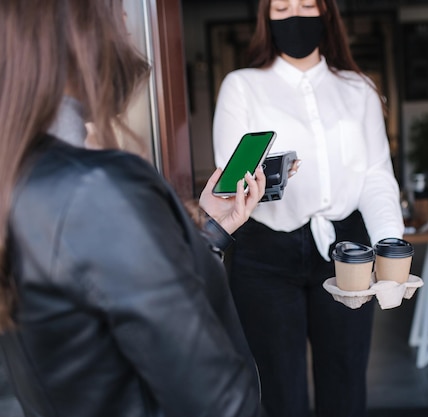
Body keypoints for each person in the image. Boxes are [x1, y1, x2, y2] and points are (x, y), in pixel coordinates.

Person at [0, 1, 268, 416]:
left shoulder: (21, 176)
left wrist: (210, 229)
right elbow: (217, 402)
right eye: (122, 26)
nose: (131, 45)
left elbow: (105, 306)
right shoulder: (96, 187)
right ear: (77, 36)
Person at [211, 0, 405, 415]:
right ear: (266, 19)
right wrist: (270, 176)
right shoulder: (242, 85)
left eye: (305, 5)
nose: (294, 16)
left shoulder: (359, 89)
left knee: (346, 378)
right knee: (279, 388)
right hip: (264, 253)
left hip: (348, 249)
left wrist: (391, 247)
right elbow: (231, 181)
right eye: (281, 8)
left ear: (327, 14)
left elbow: (375, 175)